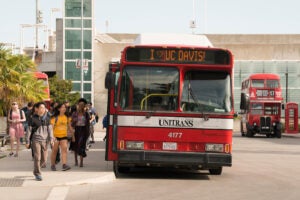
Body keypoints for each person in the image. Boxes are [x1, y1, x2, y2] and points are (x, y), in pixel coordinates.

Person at [26, 102, 54, 181]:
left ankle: (36, 169)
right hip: (36, 140)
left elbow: (50, 130)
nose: (42, 109)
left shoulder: (47, 119)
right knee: (37, 157)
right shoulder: (33, 118)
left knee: (44, 159)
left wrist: (51, 139)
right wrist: (27, 141)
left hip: (45, 141)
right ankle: (38, 174)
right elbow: (29, 131)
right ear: (37, 109)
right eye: (41, 107)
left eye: (44, 108)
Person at [50, 103, 73, 171]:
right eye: (62, 107)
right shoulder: (54, 117)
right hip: (56, 137)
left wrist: (73, 135)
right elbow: (51, 128)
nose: (64, 108)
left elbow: (69, 127)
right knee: (55, 151)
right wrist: (52, 137)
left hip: (64, 136)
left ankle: (64, 165)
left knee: (64, 150)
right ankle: (53, 165)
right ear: (59, 109)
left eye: (65, 107)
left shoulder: (67, 117)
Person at [71, 98, 90, 167]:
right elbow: (72, 123)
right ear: (78, 105)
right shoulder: (74, 113)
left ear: (84, 106)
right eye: (80, 105)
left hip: (83, 130)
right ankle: (76, 160)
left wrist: (88, 132)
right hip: (76, 130)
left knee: (82, 146)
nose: (81, 106)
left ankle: (81, 162)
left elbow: (88, 123)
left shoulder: (86, 114)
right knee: (75, 146)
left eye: (82, 105)